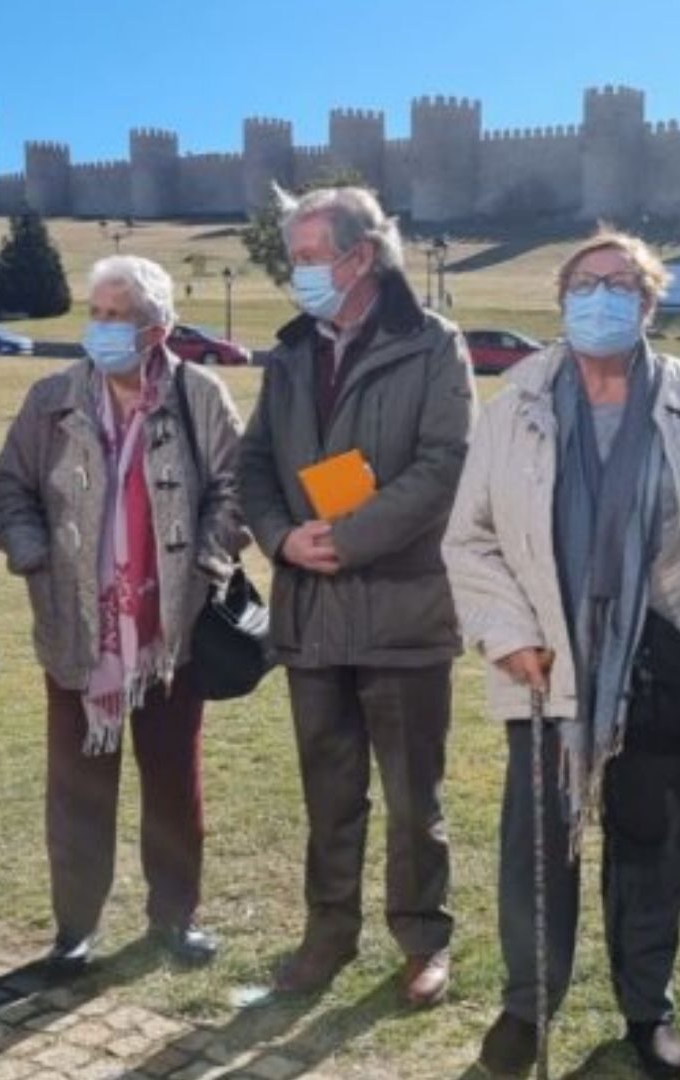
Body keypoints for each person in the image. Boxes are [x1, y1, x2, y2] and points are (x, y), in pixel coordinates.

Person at [444, 232, 680, 1078]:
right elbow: (470, 537)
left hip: (669, 660)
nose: (601, 296)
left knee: (655, 842)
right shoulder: (516, 400)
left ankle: (647, 1009)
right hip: (545, 663)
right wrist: (508, 630)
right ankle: (526, 1008)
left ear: (649, 302)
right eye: (585, 282)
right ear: (561, 299)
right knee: (538, 849)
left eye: (621, 283)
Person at [237, 185, 475, 1007]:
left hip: (402, 614)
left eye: (308, 258)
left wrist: (352, 534)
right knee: (329, 794)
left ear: (360, 255)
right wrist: (279, 537)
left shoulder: (433, 345)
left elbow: (445, 466)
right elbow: (254, 464)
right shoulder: (292, 351)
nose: (297, 274)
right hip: (310, 614)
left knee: (416, 799)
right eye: (294, 259)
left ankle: (423, 941)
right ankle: (327, 935)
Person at [0, 255, 246, 971]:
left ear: (157, 330)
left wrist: (203, 566)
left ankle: (174, 920)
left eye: (117, 316)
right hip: (77, 630)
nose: (99, 327)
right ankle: (74, 932)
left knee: (172, 785)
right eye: (94, 312)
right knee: (77, 791)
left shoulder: (199, 396)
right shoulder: (51, 399)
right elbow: (7, 487)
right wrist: (32, 553)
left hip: (170, 635)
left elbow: (234, 488)